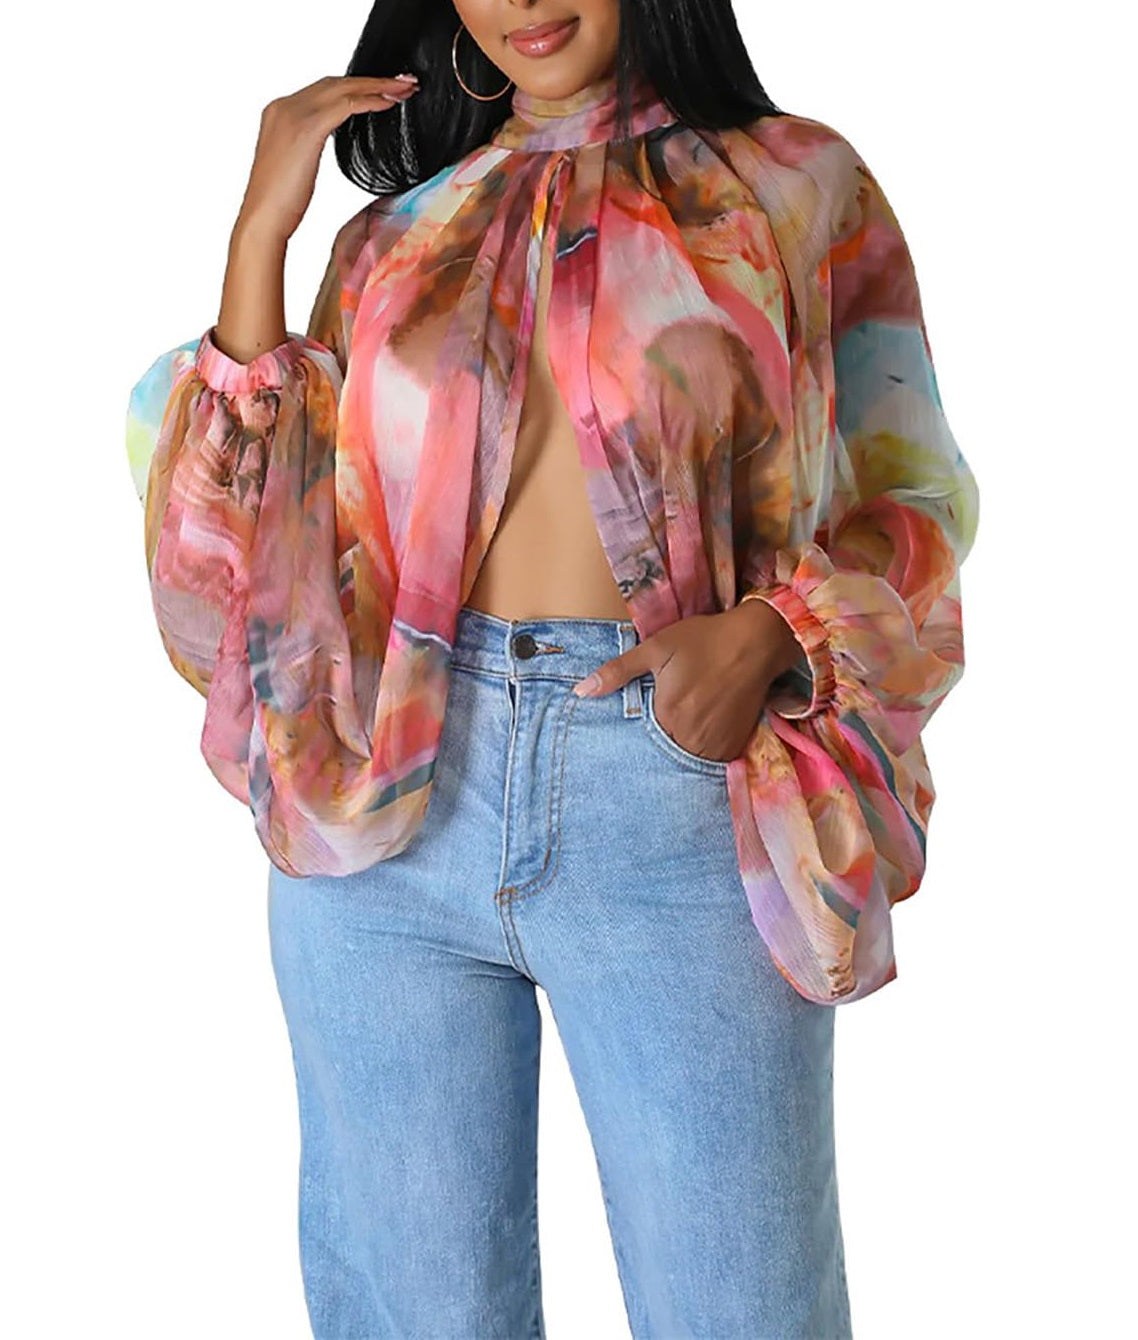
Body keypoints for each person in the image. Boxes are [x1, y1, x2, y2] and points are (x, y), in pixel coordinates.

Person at [125, 0, 979, 1335]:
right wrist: (258, 240)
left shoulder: (797, 187)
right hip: (385, 808)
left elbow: (910, 492)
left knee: (740, 1307)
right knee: (411, 1313)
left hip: (673, 796)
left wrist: (773, 635)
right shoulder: (390, 239)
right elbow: (244, 570)